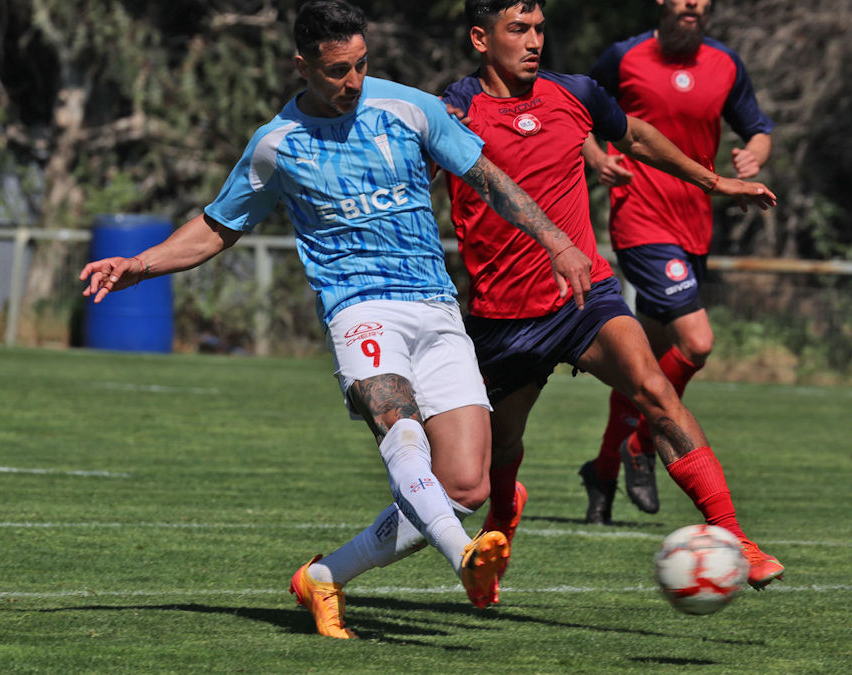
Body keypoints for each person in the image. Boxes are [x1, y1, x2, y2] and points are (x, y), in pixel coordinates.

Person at [80, 0, 594, 639]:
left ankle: (323, 577)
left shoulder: (409, 108)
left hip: (434, 307)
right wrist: (141, 265)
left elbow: (490, 179)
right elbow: (217, 227)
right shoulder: (276, 145)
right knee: (398, 427)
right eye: (335, 71)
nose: (351, 82)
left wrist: (558, 242)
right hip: (360, 311)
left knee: (464, 482)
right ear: (302, 65)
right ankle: (462, 552)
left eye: (359, 66)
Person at [440, 0, 783, 593]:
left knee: (654, 390)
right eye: (517, 29)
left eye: (539, 29)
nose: (533, 41)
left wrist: (713, 179)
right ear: (480, 38)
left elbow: (638, 135)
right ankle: (501, 522)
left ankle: (734, 534)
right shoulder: (454, 109)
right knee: (502, 447)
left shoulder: (574, 93)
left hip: (584, 299)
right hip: (503, 318)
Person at [581, 0, 774, 522]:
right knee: (698, 341)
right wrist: (598, 157)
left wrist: (755, 153)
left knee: (642, 363)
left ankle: (601, 471)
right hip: (641, 222)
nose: (693, 3)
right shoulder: (624, 58)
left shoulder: (726, 64)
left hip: (695, 229)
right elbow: (576, 114)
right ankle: (643, 444)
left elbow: (757, 128)